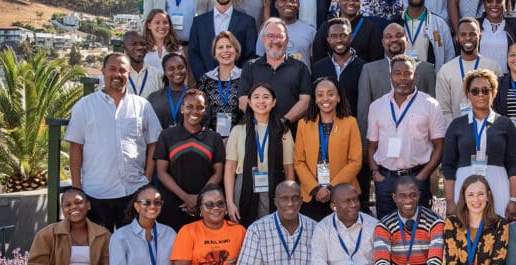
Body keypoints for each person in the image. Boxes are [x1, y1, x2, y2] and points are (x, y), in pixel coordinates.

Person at [66, 53, 162, 231]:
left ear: (128, 74)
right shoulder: (84, 106)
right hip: (97, 193)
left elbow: (153, 144)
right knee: (102, 250)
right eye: (112, 69)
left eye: (122, 70)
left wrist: (147, 180)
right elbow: (76, 147)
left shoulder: (142, 106)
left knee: (133, 246)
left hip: (133, 192)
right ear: (103, 71)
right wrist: (77, 187)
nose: (117, 74)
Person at [365, 55, 445, 218]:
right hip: (386, 180)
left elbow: (439, 146)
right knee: (386, 229)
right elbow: (371, 146)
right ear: (390, 76)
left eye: (407, 73)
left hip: (416, 177)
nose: (402, 78)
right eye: (397, 73)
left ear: (415, 76)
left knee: (419, 229)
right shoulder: (376, 106)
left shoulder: (430, 105)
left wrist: (423, 176)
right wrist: (376, 174)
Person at [441, 69, 516, 218]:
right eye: (475, 91)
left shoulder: (506, 124)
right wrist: (450, 201)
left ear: (493, 92)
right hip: (464, 185)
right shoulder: (456, 125)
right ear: (468, 94)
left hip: (498, 184)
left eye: (486, 90)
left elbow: (515, 165)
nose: (480, 94)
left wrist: (513, 199)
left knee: (497, 232)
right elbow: (448, 166)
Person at [225, 82, 296, 226]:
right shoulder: (238, 130)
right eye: (256, 97)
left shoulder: (283, 131)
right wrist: (230, 202)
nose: (261, 101)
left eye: (266, 97)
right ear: (249, 102)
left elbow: (289, 168)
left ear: (273, 102)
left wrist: (290, 197)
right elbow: (230, 168)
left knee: (272, 228)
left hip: (274, 184)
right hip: (244, 184)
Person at [154, 89, 225, 231]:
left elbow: (218, 172)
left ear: (205, 110)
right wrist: (186, 197)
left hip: (206, 206)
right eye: (189, 107)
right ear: (182, 109)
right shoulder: (167, 135)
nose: (195, 111)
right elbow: (161, 172)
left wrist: (200, 199)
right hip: (173, 204)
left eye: (200, 107)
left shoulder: (214, 138)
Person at [294, 78, 361, 221]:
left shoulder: (350, 122)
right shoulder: (303, 124)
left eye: (330, 94)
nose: (325, 98)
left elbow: (355, 161)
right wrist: (316, 189)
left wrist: (331, 189)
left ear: (338, 98)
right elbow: (299, 162)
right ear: (315, 99)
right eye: (320, 94)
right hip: (312, 195)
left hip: (343, 193)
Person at [356, 24, 437, 134]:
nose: (394, 39)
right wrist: (365, 148)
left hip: (418, 142)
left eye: (399, 35)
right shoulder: (369, 70)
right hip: (381, 141)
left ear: (406, 39)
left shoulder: (426, 69)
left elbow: (433, 111)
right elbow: (363, 112)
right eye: (389, 36)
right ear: (383, 42)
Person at [239, 18, 312, 127]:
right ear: (263, 40)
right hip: (257, 132)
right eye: (270, 36)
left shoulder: (300, 68)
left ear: (287, 40)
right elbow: (243, 100)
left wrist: (284, 121)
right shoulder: (250, 67)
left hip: (290, 132)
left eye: (280, 36)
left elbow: (305, 101)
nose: (275, 41)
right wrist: (261, 122)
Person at [187, 0, 257, 80]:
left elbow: (251, 54)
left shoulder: (247, 22)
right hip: (206, 85)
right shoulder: (198, 22)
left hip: (237, 84)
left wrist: (238, 78)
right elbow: (193, 53)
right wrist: (204, 79)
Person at [436, 19, 502, 124]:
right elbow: (444, 110)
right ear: (457, 38)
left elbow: (498, 105)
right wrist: (455, 131)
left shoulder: (493, 68)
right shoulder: (445, 70)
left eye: (472, 34)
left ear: (480, 37)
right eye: (463, 34)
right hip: (458, 134)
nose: (468, 38)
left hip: (487, 130)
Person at [313, 0, 384, 63]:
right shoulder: (326, 27)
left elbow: (376, 61)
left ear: (361, 3)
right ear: (338, 1)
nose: (351, 2)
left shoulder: (371, 28)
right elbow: (318, 59)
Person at [310, 18, 365, 118]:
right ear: (328, 39)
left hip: (353, 127)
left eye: (343, 35)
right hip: (324, 128)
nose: (339, 40)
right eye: (334, 36)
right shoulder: (318, 67)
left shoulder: (364, 68)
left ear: (351, 37)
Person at [395, 0, 455, 65]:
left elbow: (449, 57)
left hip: (430, 77)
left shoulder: (439, 24)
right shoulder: (395, 23)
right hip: (402, 76)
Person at [195, 31, 244, 137]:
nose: (225, 50)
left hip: (239, 136)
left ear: (236, 50)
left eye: (229, 46)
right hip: (210, 138)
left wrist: (233, 137)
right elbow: (199, 111)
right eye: (220, 47)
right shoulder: (205, 79)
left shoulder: (245, 77)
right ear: (214, 53)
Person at [259, 0, 316, 66]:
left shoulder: (310, 31)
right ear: (276, 4)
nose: (288, 4)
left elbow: (314, 62)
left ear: (298, 5)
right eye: (283, 0)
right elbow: (259, 60)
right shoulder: (265, 30)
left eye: (293, 1)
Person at [477, 0, 516, 72]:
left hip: (506, 80)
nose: (494, 4)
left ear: (506, 3)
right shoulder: (475, 26)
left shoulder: (515, 26)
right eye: (489, 0)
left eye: (499, 1)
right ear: (484, 3)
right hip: (480, 80)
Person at [147, 53, 188, 129]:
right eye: (171, 69)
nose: (177, 71)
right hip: (160, 140)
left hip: (189, 140)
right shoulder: (154, 98)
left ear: (186, 69)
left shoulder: (194, 96)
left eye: (180, 67)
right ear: (165, 72)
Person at [141, 9, 184, 77]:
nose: (162, 26)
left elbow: (184, 76)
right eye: (157, 22)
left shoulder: (178, 49)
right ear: (149, 25)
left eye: (165, 22)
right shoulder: (141, 48)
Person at [123, 30, 162, 98]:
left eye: (143, 44)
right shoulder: (116, 75)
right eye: (134, 44)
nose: (140, 47)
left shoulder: (158, 75)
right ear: (124, 47)